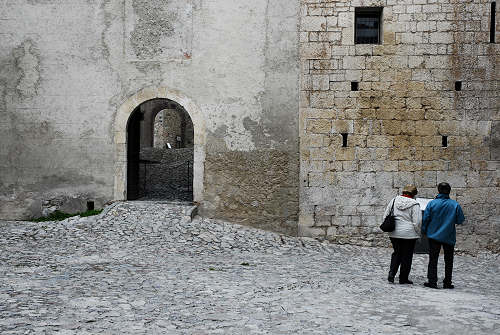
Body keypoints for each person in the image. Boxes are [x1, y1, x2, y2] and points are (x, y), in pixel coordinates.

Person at [422, 182, 465, 289]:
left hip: (433, 235)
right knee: (449, 260)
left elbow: (426, 219)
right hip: (448, 236)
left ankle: (432, 282)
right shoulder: (455, 205)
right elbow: (460, 220)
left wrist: (424, 231)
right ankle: (447, 282)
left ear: (438, 190)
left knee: (433, 259)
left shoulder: (432, 204)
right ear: (449, 191)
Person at [383, 185, 422, 284]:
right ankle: (403, 278)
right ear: (413, 194)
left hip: (394, 232)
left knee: (397, 253)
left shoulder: (394, 200)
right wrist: (418, 233)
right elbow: (417, 222)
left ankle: (391, 274)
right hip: (409, 234)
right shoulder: (415, 204)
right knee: (407, 256)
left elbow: (386, 214)